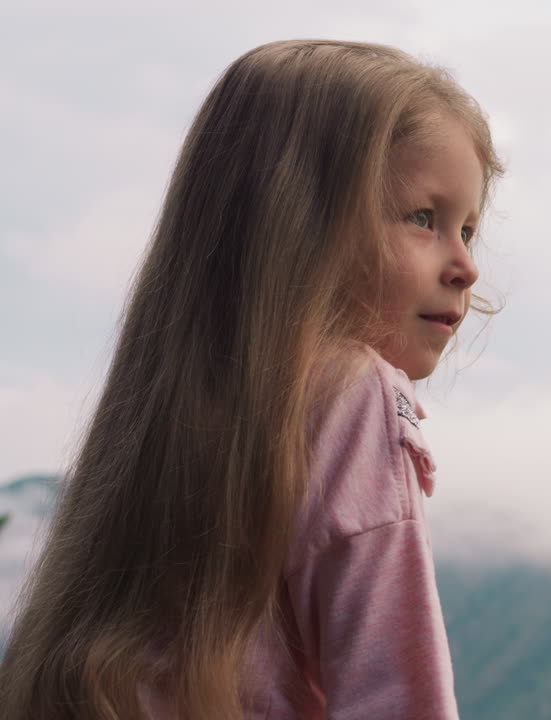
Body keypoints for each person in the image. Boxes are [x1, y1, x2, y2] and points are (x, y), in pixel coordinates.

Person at [0, 39, 503, 719]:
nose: (466, 266)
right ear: (299, 223)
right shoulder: (357, 397)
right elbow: (397, 700)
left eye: (467, 230)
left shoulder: (148, 430)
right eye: (423, 218)